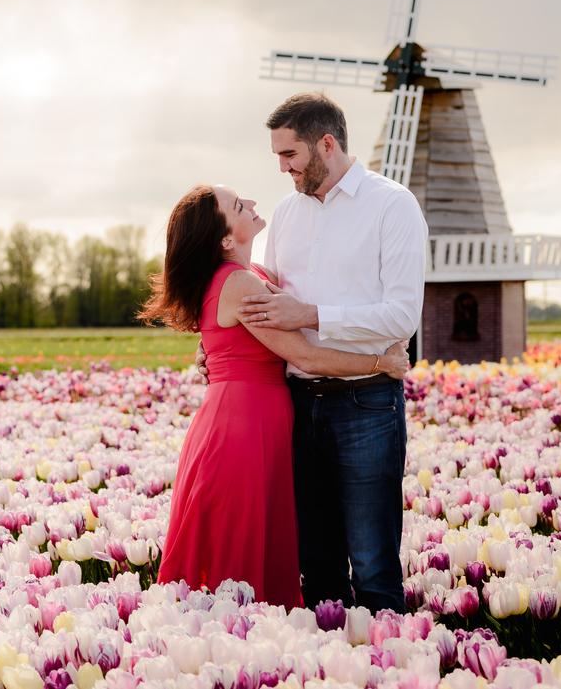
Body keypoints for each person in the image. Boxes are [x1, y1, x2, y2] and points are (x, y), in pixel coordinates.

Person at [142, 183, 409, 609]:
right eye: (237, 205)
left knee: (258, 542)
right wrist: (380, 364)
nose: (250, 202)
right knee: (240, 550)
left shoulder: (255, 276)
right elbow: (304, 354)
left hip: (251, 419)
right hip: (242, 429)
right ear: (227, 238)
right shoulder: (240, 283)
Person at [223, 91, 427, 612]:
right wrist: (223, 348)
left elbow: (402, 317)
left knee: (374, 564)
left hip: (366, 403)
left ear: (327, 144)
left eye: (289, 155)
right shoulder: (287, 215)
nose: (283, 169)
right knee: (316, 567)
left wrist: (311, 314)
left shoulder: (392, 205)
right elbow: (271, 308)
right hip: (294, 401)